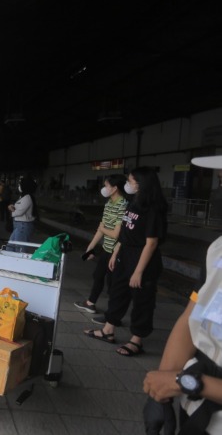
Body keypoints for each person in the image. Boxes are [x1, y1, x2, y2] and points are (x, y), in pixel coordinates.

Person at [143, 155, 222, 434]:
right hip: (195, 406)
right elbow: (192, 314)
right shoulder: (218, 249)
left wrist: (188, 382)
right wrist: (160, 392)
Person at [84, 166, 168, 357]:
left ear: (141, 183)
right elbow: (125, 232)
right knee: (118, 292)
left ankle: (136, 340)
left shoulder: (153, 209)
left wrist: (138, 271)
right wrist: (116, 253)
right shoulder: (134, 203)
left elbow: (151, 243)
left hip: (143, 258)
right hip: (125, 254)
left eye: (130, 181)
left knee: (142, 300)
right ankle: (108, 330)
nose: (128, 185)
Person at [74, 174, 128, 314]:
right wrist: (90, 247)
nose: (104, 188)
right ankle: (90, 303)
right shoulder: (109, 204)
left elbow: (116, 234)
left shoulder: (123, 205)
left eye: (106, 186)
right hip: (107, 248)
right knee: (98, 275)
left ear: (115, 188)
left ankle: (112, 314)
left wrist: (103, 229)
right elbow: (101, 229)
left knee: (112, 283)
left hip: (117, 251)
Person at [7, 176, 37, 243]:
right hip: (20, 225)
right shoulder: (24, 197)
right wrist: (12, 207)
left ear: (25, 186)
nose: (19, 186)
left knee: (19, 247)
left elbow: (19, 212)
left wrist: (10, 208)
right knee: (11, 246)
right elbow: (19, 209)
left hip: (23, 226)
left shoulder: (27, 198)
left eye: (20, 185)